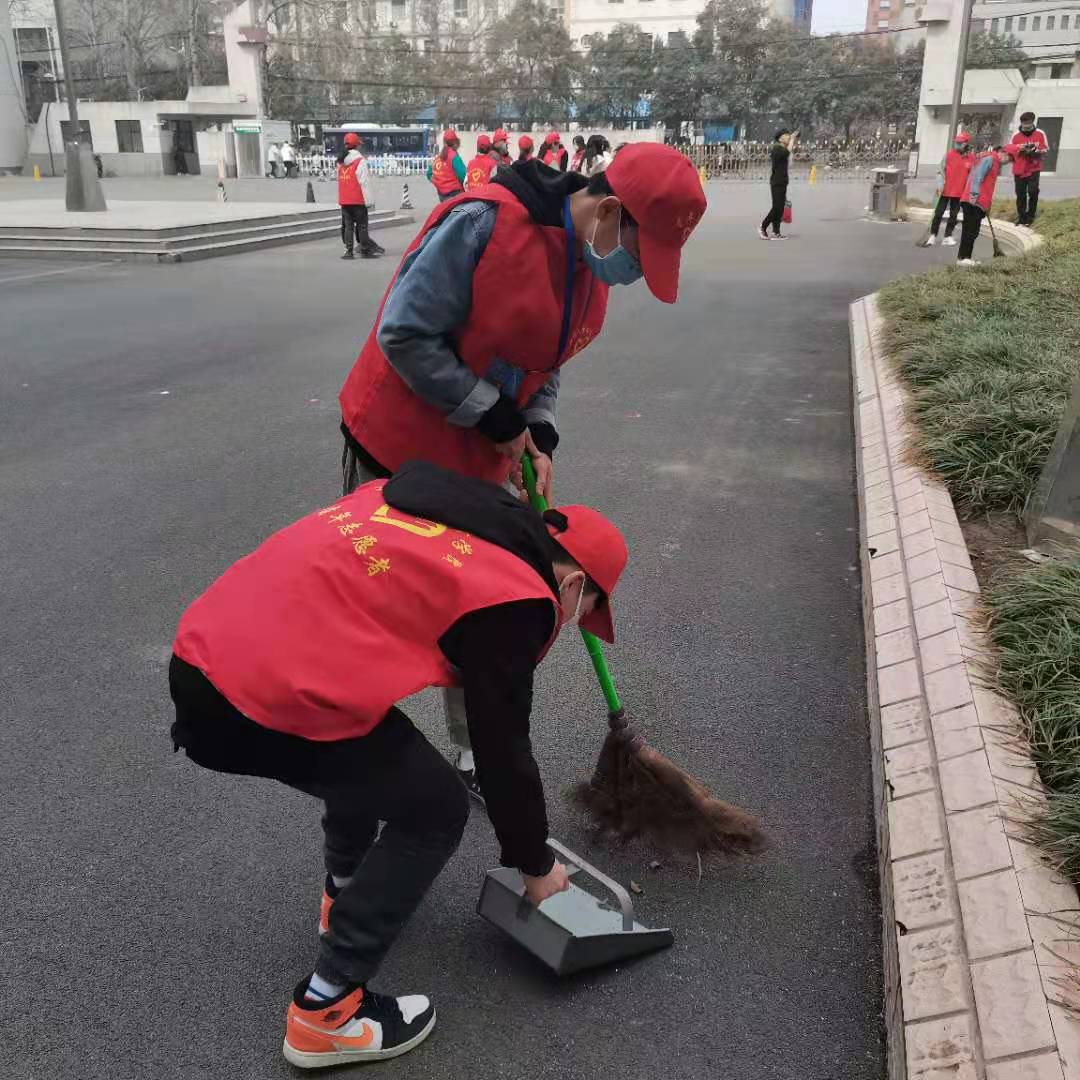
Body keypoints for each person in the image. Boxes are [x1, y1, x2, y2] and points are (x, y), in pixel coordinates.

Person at [169, 459, 629, 1070]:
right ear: (572, 585)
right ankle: (327, 1012)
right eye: (582, 609)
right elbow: (502, 750)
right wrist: (535, 865)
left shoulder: (456, 507)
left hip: (208, 648)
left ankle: (347, 890)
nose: (569, 622)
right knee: (435, 809)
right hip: (255, 694)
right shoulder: (517, 601)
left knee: (365, 742)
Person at [337, 144, 705, 795]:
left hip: (477, 451)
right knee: (382, 608)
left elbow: (546, 358)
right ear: (609, 211)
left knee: (473, 610)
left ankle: (474, 753)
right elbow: (405, 334)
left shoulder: (588, 263)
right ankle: (356, 752)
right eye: (639, 255)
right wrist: (494, 415)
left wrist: (538, 428)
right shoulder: (482, 224)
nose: (631, 275)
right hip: (398, 444)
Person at [957, 145, 1016, 266]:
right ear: (1003, 152)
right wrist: (973, 196)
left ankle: (963, 258)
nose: (1008, 162)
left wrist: (987, 205)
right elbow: (977, 177)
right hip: (973, 200)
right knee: (971, 230)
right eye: (1009, 159)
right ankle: (964, 258)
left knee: (970, 230)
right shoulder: (990, 159)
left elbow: (988, 185)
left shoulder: (994, 161)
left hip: (978, 201)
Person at [337, 132, 384, 261]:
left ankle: (348, 252)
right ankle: (365, 250)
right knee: (362, 226)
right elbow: (364, 183)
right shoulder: (360, 161)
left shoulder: (340, 162)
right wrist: (369, 201)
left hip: (345, 200)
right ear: (357, 145)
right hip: (358, 200)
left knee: (348, 227)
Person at [926, 131, 973, 246]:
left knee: (954, 215)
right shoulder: (948, 155)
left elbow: (972, 175)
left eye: (960, 143)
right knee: (938, 213)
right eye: (956, 142)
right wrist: (939, 184)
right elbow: (940, 171)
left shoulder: (971, 158)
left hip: (959, 192)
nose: (957, 145)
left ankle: (947, 236)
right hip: (944, 190)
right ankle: (933, 235)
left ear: (966, 144)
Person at [1008, 111, 1049, 227]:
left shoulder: (1040, 133)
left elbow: (1045, 149)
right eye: (1024, 124)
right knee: (1020, 194)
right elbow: (1009, 149)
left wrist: (1035, 151)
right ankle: (1022, 218)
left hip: (1034, 168)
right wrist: (1019, 149)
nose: (1026, 127)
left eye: (1029, 124)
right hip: (1019, 169)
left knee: (1033, 191)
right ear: (1021, 123)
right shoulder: (1015, 135)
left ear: (1032, 122)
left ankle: (1030, 216)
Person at [759, 128, 796, 240]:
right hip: (777, 182)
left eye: (789, 135)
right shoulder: (777, 149)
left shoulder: (782, 148)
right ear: (780, 138)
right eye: (786, 135)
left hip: (782, 181)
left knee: (780, 208)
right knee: (777, 207)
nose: (788, 137)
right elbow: (786, 153)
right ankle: (763, 226)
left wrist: (794, 137)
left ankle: (776, 232)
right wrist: (792, 140)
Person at [427, 129, 466, 201]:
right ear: (456, 142)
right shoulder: (454, 157)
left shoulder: (438, 157)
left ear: (444, 142)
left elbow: (429, 173)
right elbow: (463, 176)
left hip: (441, 196)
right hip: (455, 194)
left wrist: (439, 183)